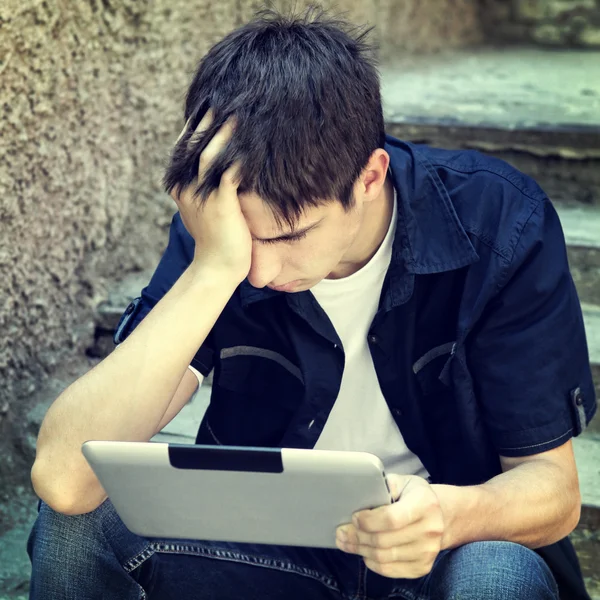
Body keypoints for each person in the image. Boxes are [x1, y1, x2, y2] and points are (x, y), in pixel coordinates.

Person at [27, 6, 596, 600]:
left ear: (370, 178)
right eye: (245, 240)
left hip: (440, 555)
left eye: (291, 236)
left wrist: (447, 516)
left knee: (496, 576)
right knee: (77, 524)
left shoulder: (499, 225)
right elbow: (64, 480)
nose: (262, 270)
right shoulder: (222, 246)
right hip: (266, 556)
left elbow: (553, 494)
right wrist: (213, 268)